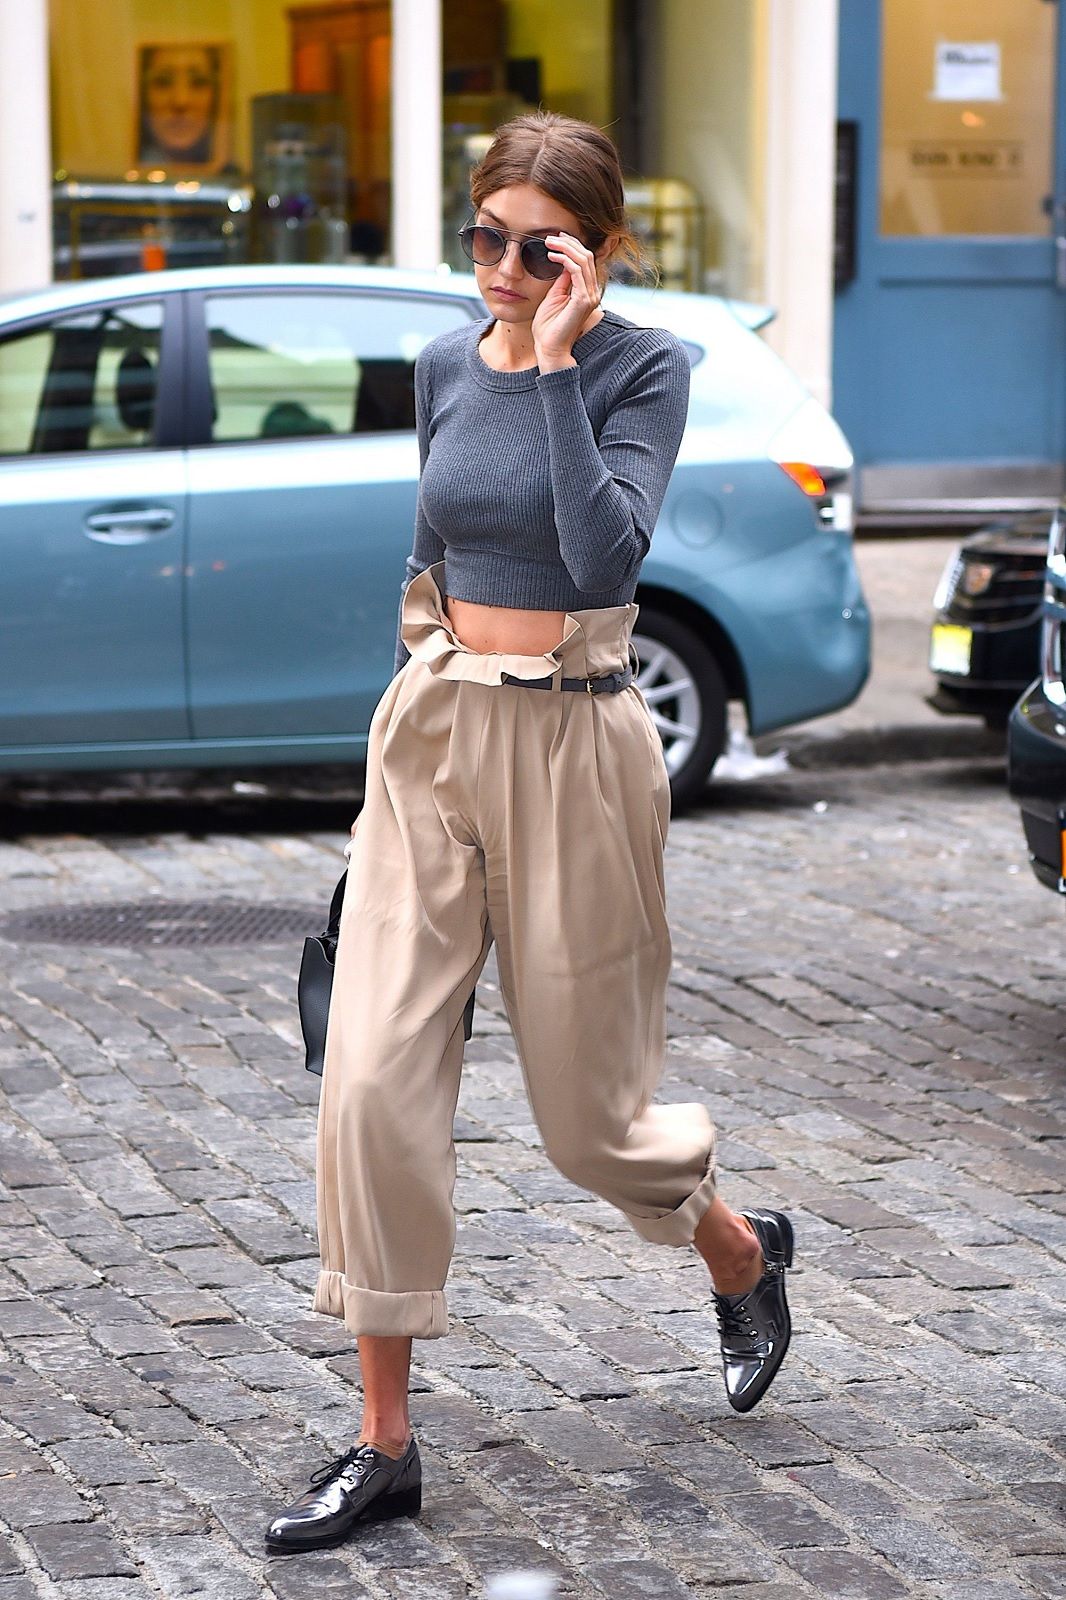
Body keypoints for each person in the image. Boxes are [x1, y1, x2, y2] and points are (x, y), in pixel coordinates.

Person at [266, 110, 793, 1557]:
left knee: (588, 1120)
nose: (500, 270)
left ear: (598, 251)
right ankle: (386, 1445)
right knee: (368, 1083)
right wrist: (395, 742)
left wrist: (557, 364)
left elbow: (602, 555)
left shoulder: (641, 367)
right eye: (483, 237)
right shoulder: (443, 362)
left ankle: (738, 1250)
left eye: (536, 248)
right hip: (434, 729)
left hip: (574, 740)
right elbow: (431, 551)